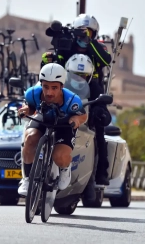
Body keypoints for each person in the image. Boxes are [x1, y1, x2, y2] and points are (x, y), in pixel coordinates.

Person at [41, 14, 112, 200]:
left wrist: (89, 41)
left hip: (92, 90)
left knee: (99, 124)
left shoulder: (98, 47)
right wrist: (48, 58)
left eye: (88, 32)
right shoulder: (68, 44)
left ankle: (99, 173)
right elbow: (52, 60)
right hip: (65, 89)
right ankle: (42, 165)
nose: (83, 36)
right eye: (81, 32)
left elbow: (106, 59)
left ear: (94, 33)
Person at [17, 63, 88, 197]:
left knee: (59, 156)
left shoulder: (72, 99)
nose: (49, 92)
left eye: (54, 88)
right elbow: (29, 107)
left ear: (62, 86)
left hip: (64, 124)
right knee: (30, 139)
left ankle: (65, 169)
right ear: (41, 84)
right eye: (46, 87)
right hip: (43, 119)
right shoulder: (32, 93)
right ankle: (27, 179)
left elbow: (83, 115)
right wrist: (25, 110)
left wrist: (76, 120)